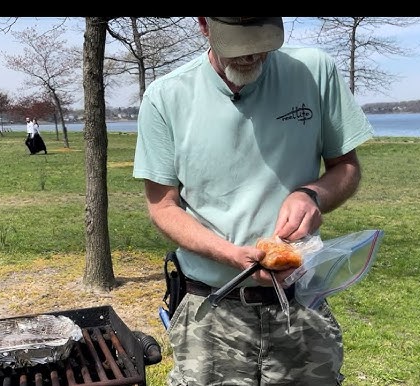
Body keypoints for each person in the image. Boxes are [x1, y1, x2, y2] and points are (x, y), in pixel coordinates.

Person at [132, 17, 374, 385]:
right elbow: (163, 207)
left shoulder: (314, 70)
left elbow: (347, 168)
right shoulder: (165, 97)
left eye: (260, 40)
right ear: (203, 25)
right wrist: (229, 254)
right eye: (236, 42)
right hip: (211, 312)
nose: (250, 54)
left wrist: (313, 195)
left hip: (300, 306)